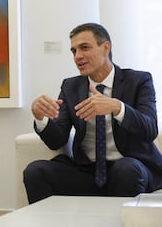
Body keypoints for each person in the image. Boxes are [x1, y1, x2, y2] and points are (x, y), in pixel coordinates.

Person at [24, 22, 162, 204]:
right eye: (74, 51)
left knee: (126, 170)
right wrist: (41, 119)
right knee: (35, 171)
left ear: (106, 48)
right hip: (88, 171)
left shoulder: (139, 80)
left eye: (84, 48)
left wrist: (117, 107)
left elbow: (150, 129)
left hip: (130, 167)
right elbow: (57, 140)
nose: (78, 56)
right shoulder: (70, 87)